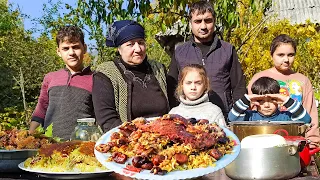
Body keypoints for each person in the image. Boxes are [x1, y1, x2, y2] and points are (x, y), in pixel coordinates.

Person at [167, 1, 246, 119]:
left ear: (214, 21)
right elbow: (171, 87)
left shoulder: (227, 50)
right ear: (190, 23)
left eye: (208, 21)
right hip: (186, 122)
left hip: (223, 118)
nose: (203, 26)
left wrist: (236, 117)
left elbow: (238, 86)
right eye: (198, 21)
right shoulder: (180, 51)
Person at [93, 20, 169, 132]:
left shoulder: (159, 69)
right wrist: (140, 136)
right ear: (119, 49)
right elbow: (107, 120)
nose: (138, 49)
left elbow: (174, 106)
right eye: (130, 44)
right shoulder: (106, 74)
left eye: (141, 42)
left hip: (165, 136)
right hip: (128, 141)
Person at [247, 34, 319, 146]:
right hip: (263, 141)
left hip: (296, 142)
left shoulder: (302, 80)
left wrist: (312, 141)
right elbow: (251, 110)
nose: (286, 59)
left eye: (290, 55)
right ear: (271, 55)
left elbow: (311, 113)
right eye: (280, 55)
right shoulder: (260, 78)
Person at [29, 26, 94, 140]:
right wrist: (30, 137)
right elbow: (40, 111)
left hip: (81, 147)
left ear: (84, 48)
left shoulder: (96, 79)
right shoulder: (50, 78)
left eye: (76, 47)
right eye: (65, 48)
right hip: (49, 145)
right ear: (58, 52)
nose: (71, 52)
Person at [229, 77, 311, 123]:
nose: (267, 105)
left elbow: (306, 120)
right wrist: (247, 99)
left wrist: (286, 100)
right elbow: (232, 118)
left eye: (272, 100)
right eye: (261, 101)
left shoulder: (286, 117)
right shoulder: (249, 117)